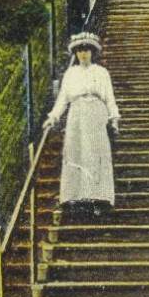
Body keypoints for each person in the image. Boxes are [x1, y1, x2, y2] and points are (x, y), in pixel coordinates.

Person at [43, 32, 121, 218]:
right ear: (75, 53)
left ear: (93, 52)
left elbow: (109, 97)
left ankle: (99, 197)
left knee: (95, 153)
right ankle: (74, 197)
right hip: (76, 115)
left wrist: (114, 117)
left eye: (87, 50)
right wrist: (53, 117)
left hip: (96, 113)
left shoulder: (101, 73)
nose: (83, 54)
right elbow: (62, 99)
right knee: (76, 152)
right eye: (80, 50)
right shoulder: (71, 74)